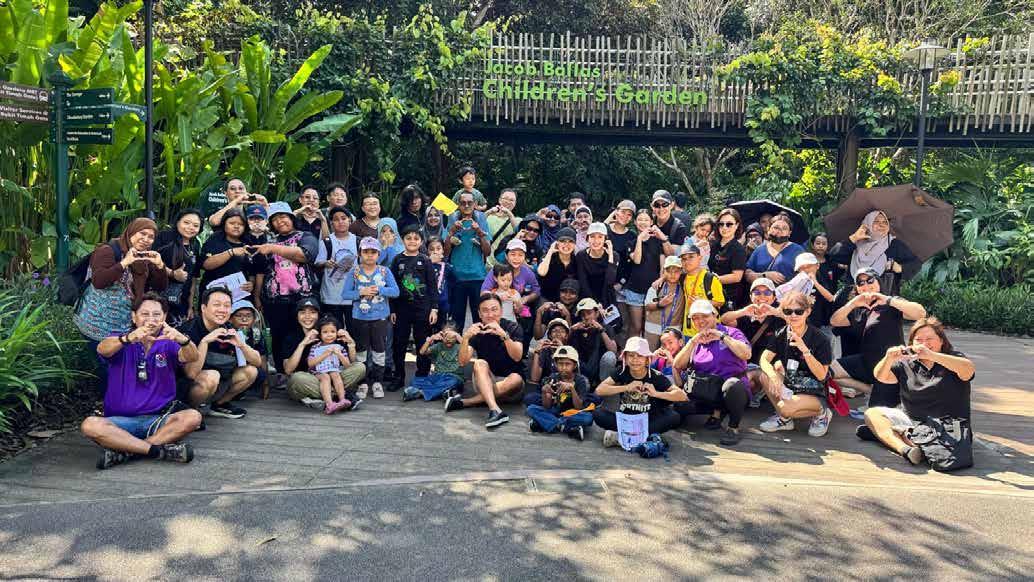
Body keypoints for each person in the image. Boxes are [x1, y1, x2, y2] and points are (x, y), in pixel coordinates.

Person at [81, 293, 201, 470]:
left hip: (157, 420)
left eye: (156, 314)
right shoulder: (121, 339)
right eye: (145, 314)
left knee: (193, 417)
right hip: (119, 423)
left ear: (164, 317)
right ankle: (155, 450)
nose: (150, 319)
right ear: (133, 317)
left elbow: (192, 356)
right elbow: (102, 349)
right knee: (90, 425)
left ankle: (126, 452)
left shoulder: (168, 342)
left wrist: (183, 339)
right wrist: (128, 338)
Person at [865, 317, 975, 465]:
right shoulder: (906, 364)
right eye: (919, 340)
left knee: (880, 430)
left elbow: (968, 371)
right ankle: (906, 449)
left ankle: (908, 440)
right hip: (912, 422)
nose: (924, 343)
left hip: (947, 427)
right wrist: (888, 358)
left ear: (941, 341)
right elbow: (881, 377)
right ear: (911, 343)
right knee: (872, 414)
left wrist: (931, 355)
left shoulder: (953, 358)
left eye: (929, 339)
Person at [829, 268, 927, 398]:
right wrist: (852, 304)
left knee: (894, 397)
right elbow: (835, 321)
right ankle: (869, 389)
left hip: (892, 362)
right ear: (857, 288)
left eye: (870, 280)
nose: (866, 285)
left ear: (879, 282)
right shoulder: (858, 309)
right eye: (861, 283)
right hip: (866, 361)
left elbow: (920, 313)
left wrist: (887, 300)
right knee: (825, 372)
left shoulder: (892, 303)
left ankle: (884, 389)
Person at [75, 218, 170, 350]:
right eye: (142, 233)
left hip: (124, 325)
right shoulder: (107, 250)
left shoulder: (143, 257)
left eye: (151, 237)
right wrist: (125, 262)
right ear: (132, 232)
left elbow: (159, 287)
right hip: (97, 324)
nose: (146, 239)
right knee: (104, 359)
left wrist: (159, 265)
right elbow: (99, 281)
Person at [672, 300, 753, 446]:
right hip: (707, 392)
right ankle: (717, 412)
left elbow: (746, 354)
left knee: (733, 385)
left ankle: (733, 427)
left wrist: (722, 337)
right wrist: (693, 342)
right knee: (678, 408)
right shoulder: (696, 340)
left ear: (715, 315)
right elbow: (677, 365)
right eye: (695, 318)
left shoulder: (731, 332)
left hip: (732, 391)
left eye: (705, 316)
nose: (700, 321)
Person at [757, 291, 835, 437]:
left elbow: (821, 375)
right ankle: (785, 420)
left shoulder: (820, 338)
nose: (793, 315)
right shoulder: (780, 333)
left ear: (808, 312)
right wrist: (773, 376)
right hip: (792, 385)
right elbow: (764, 359)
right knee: (764, 376)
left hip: (815, 390)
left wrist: (805, 351)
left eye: (798, 311)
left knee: (785, 408)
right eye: (788, 311)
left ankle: (822, 413)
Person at [177, 287, 261, 419]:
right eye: (217, 305)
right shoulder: (189, 330)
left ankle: (218, 405)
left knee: (250, 371)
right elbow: (190, 374)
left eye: (227, 306)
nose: (222, 310)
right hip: (185, 388)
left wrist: (242, 345)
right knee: (212, 376)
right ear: (203, 308)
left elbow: (257, 362)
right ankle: (189, 411)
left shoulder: (228, 328)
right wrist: (205, 342)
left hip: (218, 380)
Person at [444, 293, 525, 428]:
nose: (490, 314)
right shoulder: (477, 331)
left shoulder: (512, 327)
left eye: (494, 309)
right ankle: (495, 409)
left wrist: (503, 335)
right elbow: (463, 362)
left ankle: (466, 402)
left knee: (516, 378)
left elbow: (517, 356)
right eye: (485, 310)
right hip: (485, 381)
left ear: (501, 311)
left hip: (512, 389)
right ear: (479, 314)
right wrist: (466, 338)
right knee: (480, 363)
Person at [253, 202, 319, 363]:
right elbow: (261, 270)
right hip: (275, 300)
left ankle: (308, 368)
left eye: (283, 217)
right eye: (274, 219)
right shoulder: (269, 240)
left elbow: (305, 255)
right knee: (278, 336)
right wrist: (257, 296)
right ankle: (281, 371)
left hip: (303, 298)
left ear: (291, 218)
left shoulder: (305, 236)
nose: (279, 221)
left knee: (304, 334)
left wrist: (273, 248)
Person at [594, 337, 687, 447]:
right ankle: (644, 438)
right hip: (626, 420)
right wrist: (626, 387)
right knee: (598, 413)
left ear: (647, 359)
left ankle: (622, 437)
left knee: (674, 416)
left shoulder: (655, 375)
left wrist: (656, 393)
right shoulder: (621, 371)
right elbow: (599, 390)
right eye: (631, 355)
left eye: (640, 356)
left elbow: (682, 396)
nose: (635, 360)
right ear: (625, 358)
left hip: (647, 421)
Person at [280, 297, 365, 409]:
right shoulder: (291, 337)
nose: (307, 316)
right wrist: (302, 344)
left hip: (334, 376)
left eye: (312, 312)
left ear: (318, 315)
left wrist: (351, 344)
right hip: (310, 380)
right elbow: (288, 370)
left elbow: (350, 364)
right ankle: (341, 396)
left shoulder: (329, 333)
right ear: (297, 316)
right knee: (296, 378)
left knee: (360, 367)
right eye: (303, 312)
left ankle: (329, 398)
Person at [342, 237, 400, 399]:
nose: (369, 255)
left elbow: (396, 291)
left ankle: (377, 382)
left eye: (373, 252)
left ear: (379, 254)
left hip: (380, 317)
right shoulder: (354, 272)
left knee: (379, 351)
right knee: (361, 351)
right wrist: (361, 292)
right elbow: (345, 294)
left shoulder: (384, 271)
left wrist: (380, 290)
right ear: (360, 253)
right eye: (365, 252)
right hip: (359, 318)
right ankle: (362, 383)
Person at [389, 225, 438, 390]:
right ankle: (398, 376)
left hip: (422, 309)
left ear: (421, 241)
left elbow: (432, 287)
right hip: (401, 309)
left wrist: (434, 308)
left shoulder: (425, 260)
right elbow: (392, 286)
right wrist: (392, 309)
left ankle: (422, 375)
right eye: (408, 238)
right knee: (399, 343)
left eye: (416, 238)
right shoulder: (397, 260)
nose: (412, 241)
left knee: (422, 342)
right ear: (402, 240)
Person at [829, 210, 917, 294]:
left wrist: (900, 268)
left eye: (885, 222)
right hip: (856, 298)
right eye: (876, 221)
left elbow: (915, 264)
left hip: (884, 299)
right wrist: (854, 238)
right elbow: (833, 256)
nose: (882, 225)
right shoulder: (856, 244)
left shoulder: (894, 244)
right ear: (867, 224)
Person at [526, 346, 594, 441]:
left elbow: (579, 407)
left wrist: (572, 389)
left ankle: (549, 424)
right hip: (556, 411)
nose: (564, 367)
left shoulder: (581, 380)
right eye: (560, 364)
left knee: (588, 418)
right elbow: (547, 406)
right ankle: (565, 427)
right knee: (531, 408)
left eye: (567, 364)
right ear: (555, 364)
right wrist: (545, 392)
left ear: (574, 365)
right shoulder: (553, 377)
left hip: (573, 413)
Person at [445, 191, 491, 328]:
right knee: (456, 319)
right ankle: (457, 342)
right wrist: (451, 232)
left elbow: (487, 252)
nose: (466, 205)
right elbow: (445, 252)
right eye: (463, 203)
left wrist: (480, 233)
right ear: (458, 205)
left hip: (477, 276)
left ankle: (479, 341)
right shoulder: (453, 219)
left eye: (470, 203)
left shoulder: (480, 219)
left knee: (479, 318)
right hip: (457, 276)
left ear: (475, 204)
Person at [154, 209, 203, 327]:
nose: (190, 227)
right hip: (158, 298)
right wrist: (172, 273)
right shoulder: (164, 237)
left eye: (195, 225)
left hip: (181, 302)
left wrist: (190, 306)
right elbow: (150, 261)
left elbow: (193, 277)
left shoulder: (195, 245)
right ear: (177, 222)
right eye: (186, 223)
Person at [199, 209, 258, 303]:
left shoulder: (248, 243)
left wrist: (251, 283)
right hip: (213, 294)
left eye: (241, 224)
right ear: (224, 224)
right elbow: (206, 264)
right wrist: (230, 252)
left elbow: (252, 270)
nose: (236, 226)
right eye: (232, 223)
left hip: (239, 297)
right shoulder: (215, 239)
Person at [315, 206, 358, 330]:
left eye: (344, 218)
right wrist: (325, 263)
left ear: (350, 220)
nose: (340, 222)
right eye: (336, 219)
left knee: (354, 330)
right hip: (331, 295)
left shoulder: (358, 241)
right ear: (331, 223)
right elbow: (317, 263)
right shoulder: (327, 242)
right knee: (334, 330)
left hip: (353, 295)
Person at [625, 210, 666, 340]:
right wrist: (639, 239)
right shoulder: (631, 242)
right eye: (640, 219)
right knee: (636, 326)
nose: (643, 222)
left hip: (653, 290)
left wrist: (661, 280)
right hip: (635, 290)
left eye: (646, 219)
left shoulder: (657, 242)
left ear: (651, 222)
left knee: (649, 327)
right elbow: (637, 260)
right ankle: (630, 351)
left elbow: (662, 266)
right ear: (635, 222)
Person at [404, 322, 465, 402]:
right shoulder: (439, 346)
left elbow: (467, 347)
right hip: (437, 376)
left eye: (451, 336)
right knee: (415, 380)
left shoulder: (460, 347)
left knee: (452, 382)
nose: (448, 339)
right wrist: (431, 339)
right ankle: (444, 392)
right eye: (446, 336)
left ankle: (420, 392)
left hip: (453, 377)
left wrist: (457, 335)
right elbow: (422, 352)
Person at [307, 315, 353, 415]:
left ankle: (342, 399)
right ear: (320, 334)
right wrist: (325, 354)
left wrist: (339, 354)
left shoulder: (339, 347)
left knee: (335, 374)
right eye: (325, 332)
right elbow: (310, 364)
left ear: (337, 333)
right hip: (318, 372)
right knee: (325, 377)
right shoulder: (315, 347)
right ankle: (329, 404)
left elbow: (347, 365)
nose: (329, 335)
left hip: (334, 370)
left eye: (332, 332)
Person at [606, 200, 638, 337]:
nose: (625, 216)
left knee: (622, 321)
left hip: (622, 285)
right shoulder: (605, 231)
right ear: (616, 212)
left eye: (629, 214)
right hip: (603, 282)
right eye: (623, 212)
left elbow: (632, 264)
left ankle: (621, 347)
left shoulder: (632, 236)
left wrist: (621, 282)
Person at [568, 298, 619, 385]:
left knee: (610, 356)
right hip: (582, 368)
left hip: (601, 367)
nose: (586, 317)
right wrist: (571, 330)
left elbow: (613, 350)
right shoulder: (576, 329)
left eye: (589, 313)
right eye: (583, 315)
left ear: (597, 313)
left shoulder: (606, 328)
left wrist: (601, 330)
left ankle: (604, 385)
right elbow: (567, 350)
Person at [679, 243, 725, 336]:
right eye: (684, 259)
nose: (687, 261)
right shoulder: (682, 278)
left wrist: (702, 302)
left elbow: (720, 302)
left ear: (699, 258)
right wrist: (662, 278)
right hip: (688, 330)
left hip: (709, 331)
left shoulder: (710, 278)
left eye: (691, 257)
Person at [745, 214, 806, 284]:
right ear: (768, 229)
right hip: (763, 290)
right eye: (776, 227)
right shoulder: (759, 250)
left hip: (791, 290)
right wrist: (765, 275)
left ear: (789, 233)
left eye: (784, 228)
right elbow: (747, 274)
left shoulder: (798, 250)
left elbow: (806, 276)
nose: (779, 231)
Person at [228, 299, 269, 398]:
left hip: (247, 370)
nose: (244, 319)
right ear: (230, 319)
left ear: (254, 319)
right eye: (239, 316)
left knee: (260, 374)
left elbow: (262, 359)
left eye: (248, 316)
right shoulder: (226, 333)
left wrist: (266, 384)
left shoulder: (256, 335)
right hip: (228, 371)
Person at [709, 208, 748, 310]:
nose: (724, 227)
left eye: (729, 224)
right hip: (710, 294)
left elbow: (737, 277)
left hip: (727, 297)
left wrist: (713, 280)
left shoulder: (738, 249)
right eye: (721, 224)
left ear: (737, 225)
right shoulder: (713, 245)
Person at [644, 256, 686, 348]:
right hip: (652, 328)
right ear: (663, 271)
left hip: (673, 330)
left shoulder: (684, 285)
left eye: (676, 271)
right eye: (669, 271)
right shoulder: (657, 286)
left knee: (669, 355)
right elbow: (647, 306)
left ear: (681, 271)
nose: (672, 274)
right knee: (650, 354)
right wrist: (660, 304)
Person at [576, 222, 617, 309]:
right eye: (592, 236)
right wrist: (595, 304)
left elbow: (610, 281)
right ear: (587, 238)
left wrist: (610, 256)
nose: (596, 240)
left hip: (608, 299)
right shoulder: (581, 256)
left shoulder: (613, 255)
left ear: (605, 239)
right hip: (587, 300)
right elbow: (583, 282)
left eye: (600, 237)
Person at [537, 227, 578, 302]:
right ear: (557, 243)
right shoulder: (548, 257)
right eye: (562, 241)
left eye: (570, 241)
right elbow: (541, 272)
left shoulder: (576, 260)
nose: (566, 244)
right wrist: (550, 250)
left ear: (575, 244)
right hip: (546, 298)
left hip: (568, 300)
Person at [808, 232, 840, 329]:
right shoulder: (808, 263)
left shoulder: (832, 262)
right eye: (818, 243)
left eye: (824, 244)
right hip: (813, 302)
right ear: (812, 245)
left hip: (829, 301)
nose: (821, 246)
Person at [529, 317, 572, 385]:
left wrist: (562, 350)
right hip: (545, 386)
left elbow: (569, 378)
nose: (558, 333)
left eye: (562, 331)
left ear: (566, 336)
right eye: (554, 331)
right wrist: (537, 352)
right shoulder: (544, 350)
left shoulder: (571, 351)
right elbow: (534, 378)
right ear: (550, 335)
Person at [485, 187, 520, 261]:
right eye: (505, 198)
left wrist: (510, 215)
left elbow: (519, 232)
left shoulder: (518, 220)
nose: (508, 202)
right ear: (499, 200)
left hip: (505, 263)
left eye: (511, 200)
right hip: (485, 262)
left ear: (515, 203)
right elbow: (477, 223)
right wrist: (489, 212)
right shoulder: (489, 217)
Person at [650, 190, 688, 256]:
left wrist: (663, 238)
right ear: (652, 206)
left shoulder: (679, 228)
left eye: (665, 204)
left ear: (672, 205)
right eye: (657, 205)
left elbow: (673, 255)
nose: (661, 209)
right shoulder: (648, 223)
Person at [427, 237, 453, 327]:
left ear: (443, 250)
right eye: (431, 249)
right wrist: (429, 262)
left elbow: (452, 285)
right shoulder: (424, 265)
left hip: (443, 305)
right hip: (427, 305)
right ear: (427, 251)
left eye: (438, 248)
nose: (435, 252)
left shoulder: (447, 267)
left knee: (441, 330)